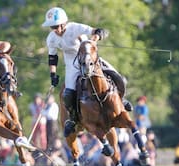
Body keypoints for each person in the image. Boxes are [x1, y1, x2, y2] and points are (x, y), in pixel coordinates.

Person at [42, 7, 133, 137]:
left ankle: (122, 100)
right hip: (72, 65)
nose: (55, 30)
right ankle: (73, 119)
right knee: (67, 94)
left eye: (56, 26)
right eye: (52, 27)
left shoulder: (74, 28)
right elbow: (52, 57)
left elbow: (94, 31)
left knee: (118, 77)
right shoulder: (51, 38)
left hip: (89, 59)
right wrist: (53, 74)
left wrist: (98, 35)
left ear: (63, 23)